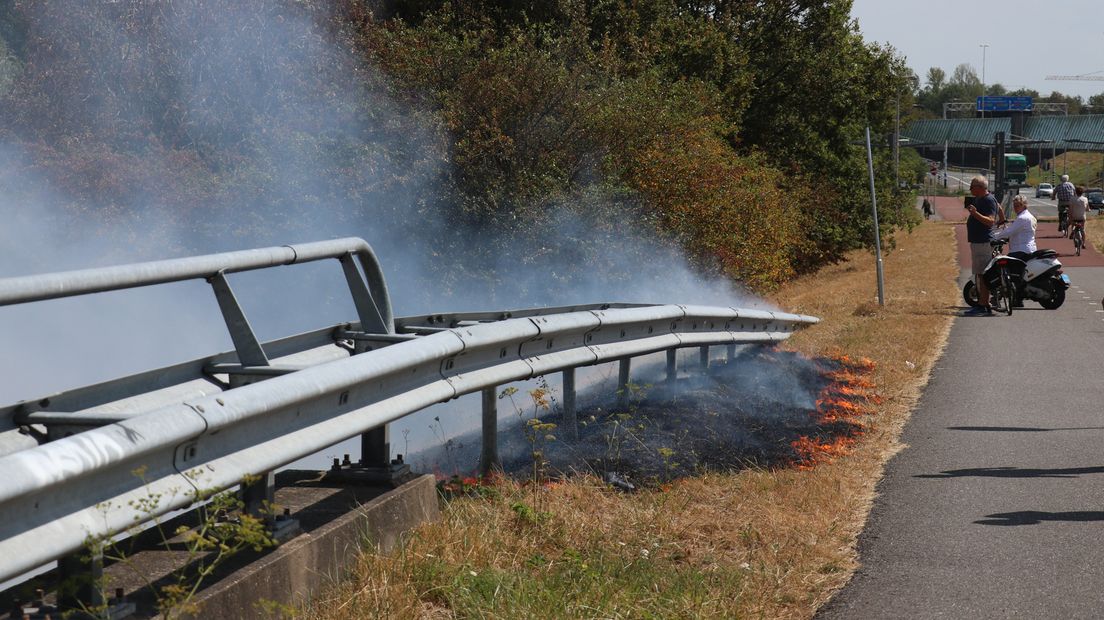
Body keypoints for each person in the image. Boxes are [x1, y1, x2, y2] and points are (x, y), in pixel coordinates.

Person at [965, 175, 1002, 315]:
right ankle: (982, 303)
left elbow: (990, 221)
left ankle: (983, 304)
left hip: (983, 241)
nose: (970, 189)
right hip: (977, 241)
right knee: (979, 274)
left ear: (980, 188)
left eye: (972, 186)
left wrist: (975, 214)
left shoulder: (987, 200)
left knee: (982, 274)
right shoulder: (980, 199)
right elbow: (999, 207)